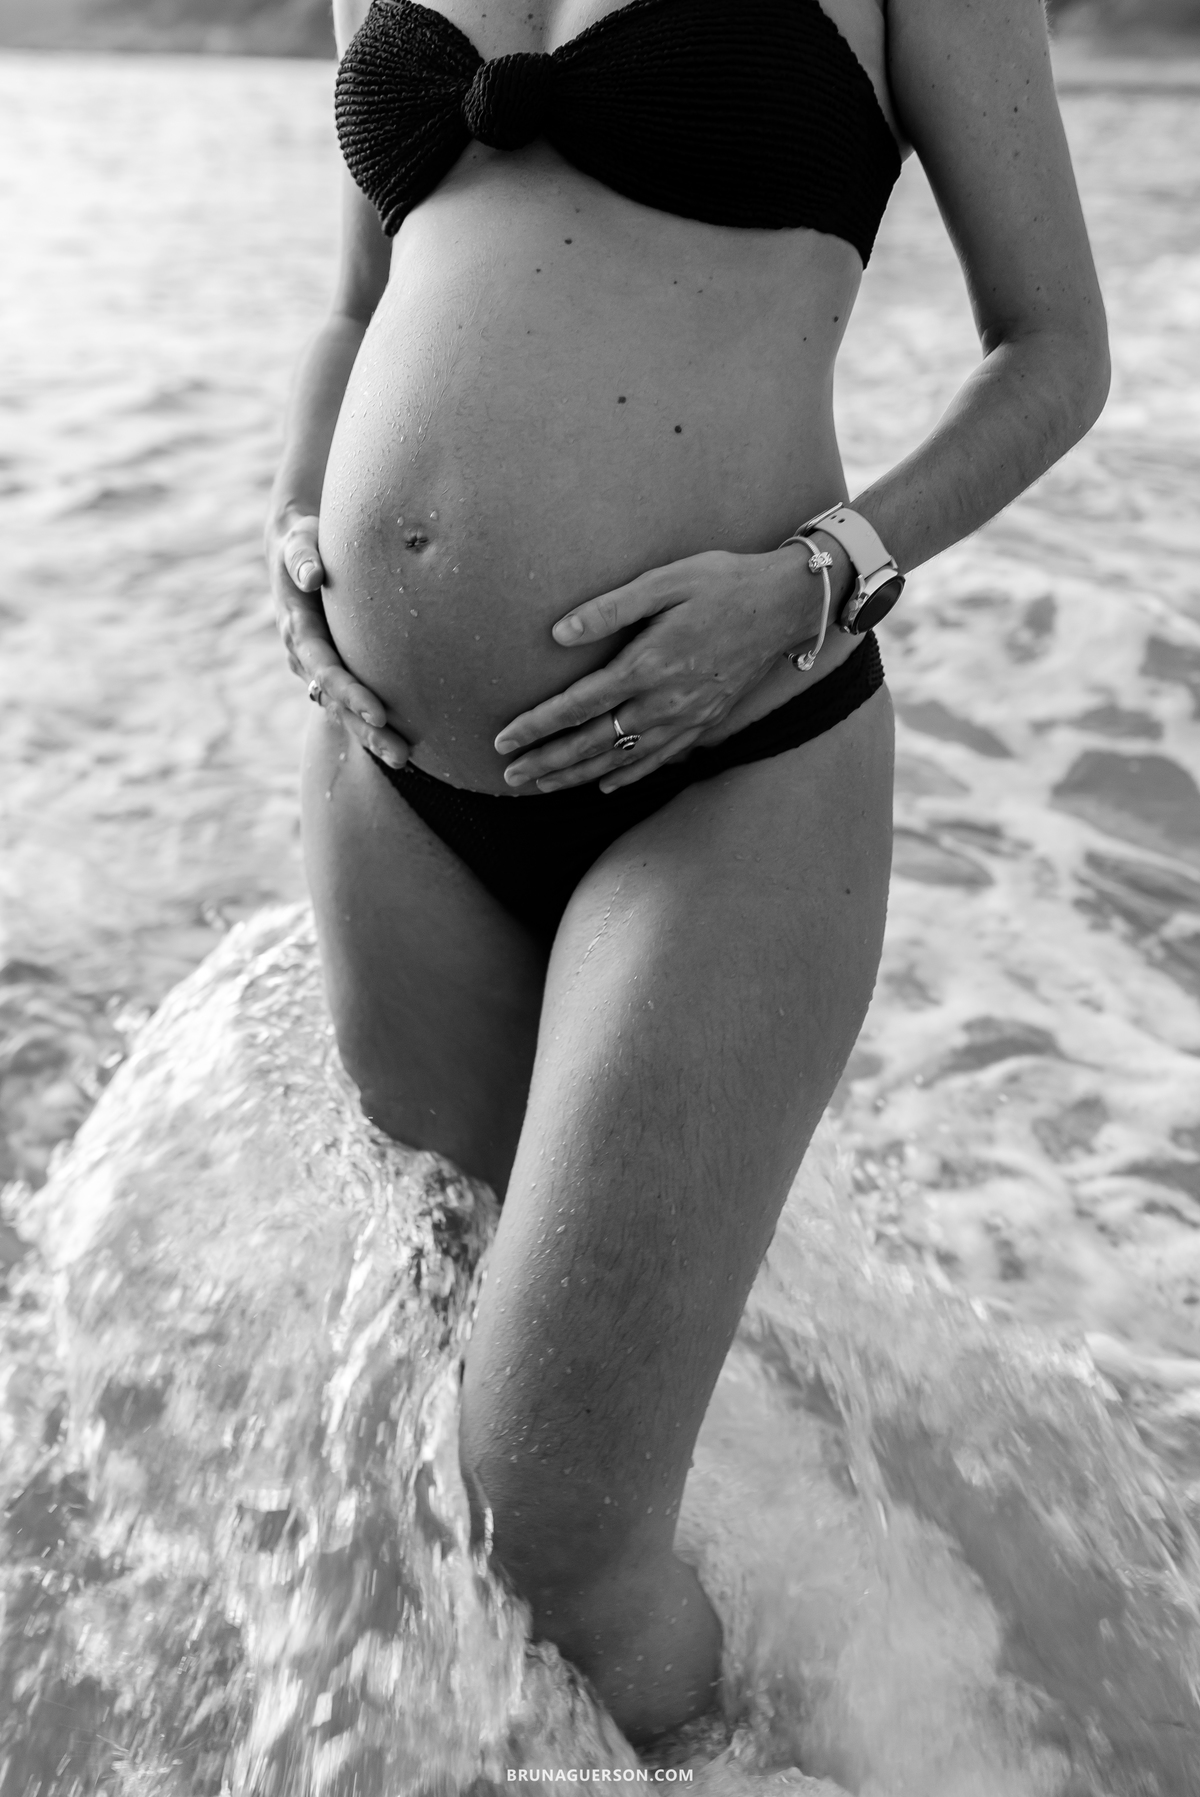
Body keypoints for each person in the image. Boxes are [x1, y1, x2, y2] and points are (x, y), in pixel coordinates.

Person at [266, 0, 1108, 1747]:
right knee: (447, 1416)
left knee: (547, 1515)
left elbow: (1053, 349)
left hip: (733, 771)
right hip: (396, 780)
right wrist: (298, 520)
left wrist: (824, 571)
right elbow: (358, 300)